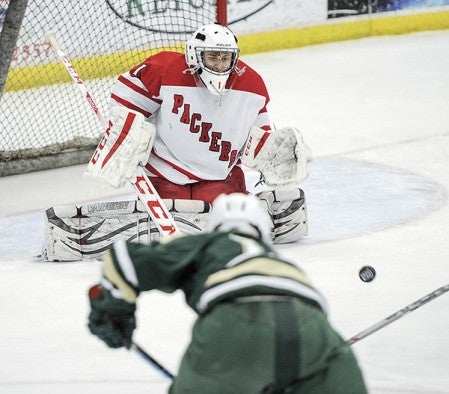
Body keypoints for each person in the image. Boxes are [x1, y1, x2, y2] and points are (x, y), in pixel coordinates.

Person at [41, 23, 312, 262]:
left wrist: (277, 151)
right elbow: (125, 99)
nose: (219, 64)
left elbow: (261, 137)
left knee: (223, 230)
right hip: (165, 172)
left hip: (220, 175)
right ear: (195, 55)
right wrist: (126, 132)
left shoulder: (251, 85)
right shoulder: (166, 69)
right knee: (183, 221)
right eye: (213, 57)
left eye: (225, 58)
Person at [87, 193, 368, 393]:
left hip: (234, 323)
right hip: (312, 328)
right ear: (262, 232)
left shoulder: (208, 243)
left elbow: (123, 261)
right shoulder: (277, 260)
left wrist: (113, 312)